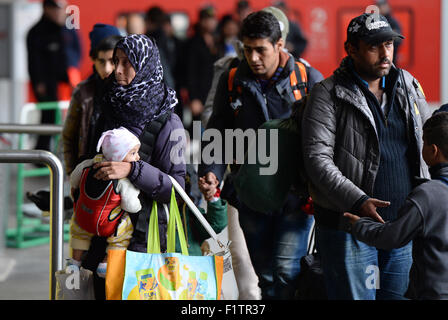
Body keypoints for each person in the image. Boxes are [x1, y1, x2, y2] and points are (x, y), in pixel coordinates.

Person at [301, 13, 431, 300]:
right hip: (349, 227)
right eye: (374, 46)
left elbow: (426, 144)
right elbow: (317, 159)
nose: (386, 53)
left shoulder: (408, 84)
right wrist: (358, 201)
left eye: (389, 44)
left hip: (401, 226)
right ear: (351, 49)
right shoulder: (328, 93)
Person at [198, 11, 323, 299]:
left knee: (286, 269)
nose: (253, 58)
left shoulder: (307, 80)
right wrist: (211, 172)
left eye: (260, 50)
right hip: (251, 197)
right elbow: (219, 129)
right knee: (265, 275)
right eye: (247, 49)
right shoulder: (231, 81)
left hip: (296, 198)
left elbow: (324, 140)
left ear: (280, 45)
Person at [94, 33, 186, 258]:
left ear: (145, 66)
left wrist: (132, 170)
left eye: (127, 63)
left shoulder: (169, 122)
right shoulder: (109, 104)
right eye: (117, 61)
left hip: (145, 237)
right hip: (102, 227)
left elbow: (176, 189)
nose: (117, 70)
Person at [344, 111, 448, 300]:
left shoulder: (427, 196)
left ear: (433, 150)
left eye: (423, 143)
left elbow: (392, 238)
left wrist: (359, 225)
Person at [68, 127, 142, 278]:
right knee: (124, 231)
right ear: (118, 156)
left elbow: (74, 179)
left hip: (84, 217)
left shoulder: (88, 164)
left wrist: (75, 188)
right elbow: (132, 206)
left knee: (78, 231)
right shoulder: (122, 180)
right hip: (106, 224)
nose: (138, 157)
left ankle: (74, 261)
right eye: (133, 153)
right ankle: (106, 262)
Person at [63, 23, 122, 176]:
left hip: (121, 175)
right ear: (93, 59)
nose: (107, 69)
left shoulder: (131, 90)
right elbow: (68, 136)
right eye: (102, 61)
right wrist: (72, 174)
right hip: (87, 174)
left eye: (112, 61)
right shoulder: (83, 92)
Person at [27, 0, 82, 151]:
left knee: (74, 118)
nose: (61, 12)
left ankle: (66, 154)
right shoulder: (36, 33)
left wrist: (73, 73)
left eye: (62, 8)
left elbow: (77, 51)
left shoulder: (68, 29)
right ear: (46, 8)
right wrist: (39, 83)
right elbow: (34, 62)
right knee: (48, 118)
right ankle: (43, 156)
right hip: (48, 85)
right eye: (57, 9)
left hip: (68, 82)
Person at [185, 5, 219, 124]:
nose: (211, 22)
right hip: (200, 96)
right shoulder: (193, 43)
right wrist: (193, 98)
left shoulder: (218, 41)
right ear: (201, 21)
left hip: (216, 94)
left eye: (212, 19)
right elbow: (190, 72)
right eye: (207, 19)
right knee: (199, 129)